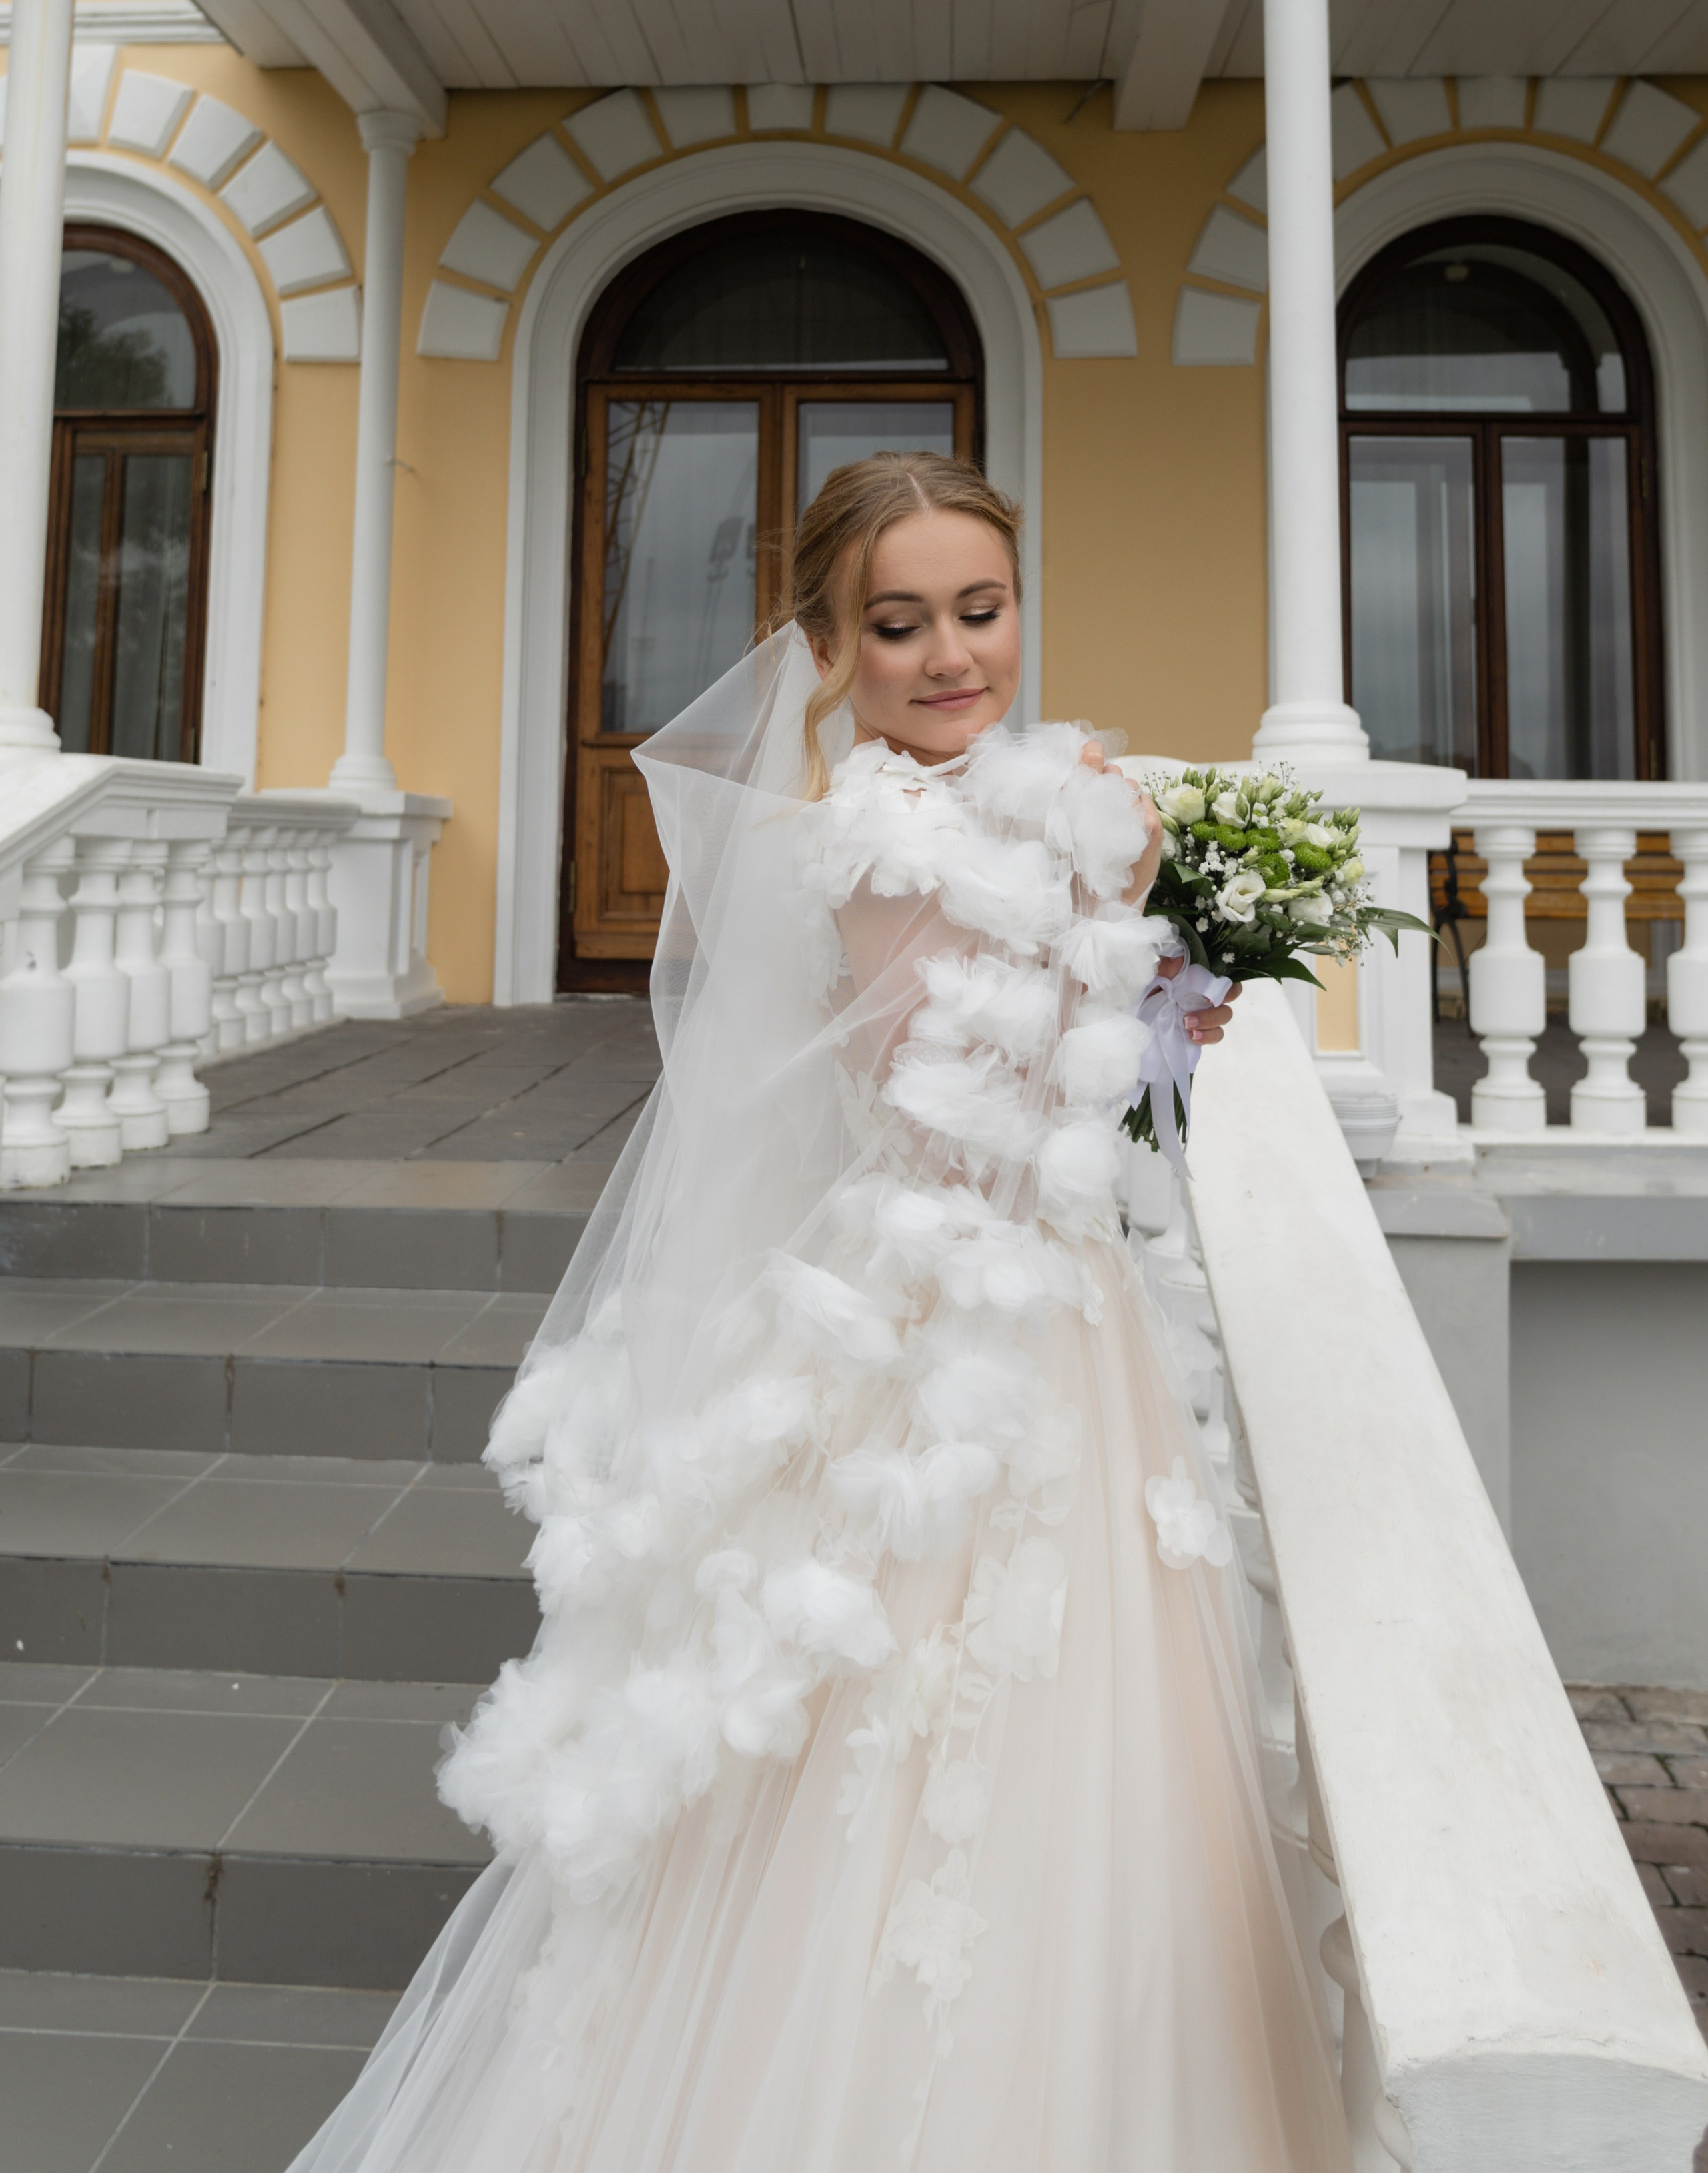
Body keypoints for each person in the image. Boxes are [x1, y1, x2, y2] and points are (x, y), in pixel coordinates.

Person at [287, 452, 1352, 2173]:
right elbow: (965, 1134)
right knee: (913, 1725)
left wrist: (1152, 963)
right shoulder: (874, 841)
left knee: (1096, 1739)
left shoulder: (1026, 796)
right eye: (900, 624)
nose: (951, 657)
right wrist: (1114, 929)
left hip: (1063, 1317)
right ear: (833, 648)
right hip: (950, 1342)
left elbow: (1093, 1051)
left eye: (981, 613)